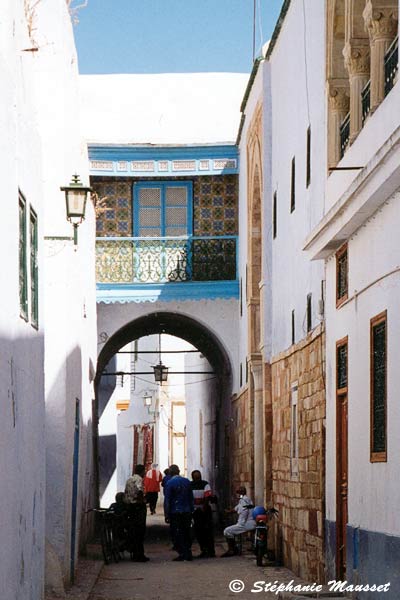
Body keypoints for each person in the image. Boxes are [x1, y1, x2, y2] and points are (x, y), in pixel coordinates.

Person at [164, 464, 194, 561]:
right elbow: (191, 498)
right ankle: (187, 551)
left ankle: (182, 553)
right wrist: (191, 509)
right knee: (186, 531)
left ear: (170, 473)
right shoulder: (187, 481)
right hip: (186, 511)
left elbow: (167, 500)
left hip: (175, 511)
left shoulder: (170, 483)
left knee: (176, 532)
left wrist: (166, 514)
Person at [124, 464, 150, 562]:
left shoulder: (129, 479)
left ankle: (135, 553)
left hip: (130, 506)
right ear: (142, 471)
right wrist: (141, 500)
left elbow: (126, 493)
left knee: (133, 530)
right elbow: (140, 490)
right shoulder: (139, 479)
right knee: (140, 531)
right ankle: (139, 555)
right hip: (137, 506)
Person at [221, 485, 256, 557]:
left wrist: (241, 523)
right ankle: (234, 548)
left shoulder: (244, 500)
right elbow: (237, 508)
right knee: (230, 530)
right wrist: (229, 511)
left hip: (246, 523)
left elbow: (244, 511)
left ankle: (232, 550)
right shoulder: (244, 499)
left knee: (227, 531)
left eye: (237, 492)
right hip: (249, 522)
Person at [190, 470, 215, 558]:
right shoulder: (190, 485)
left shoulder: (205, 484)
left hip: (204, 511)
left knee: (207, 531)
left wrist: (203, 508)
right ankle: (204, 550)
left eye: (198, 477)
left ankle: (211, 551)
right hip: (196, 511)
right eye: (196, 477)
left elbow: (207, 497)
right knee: (199, 531)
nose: (197, 478)